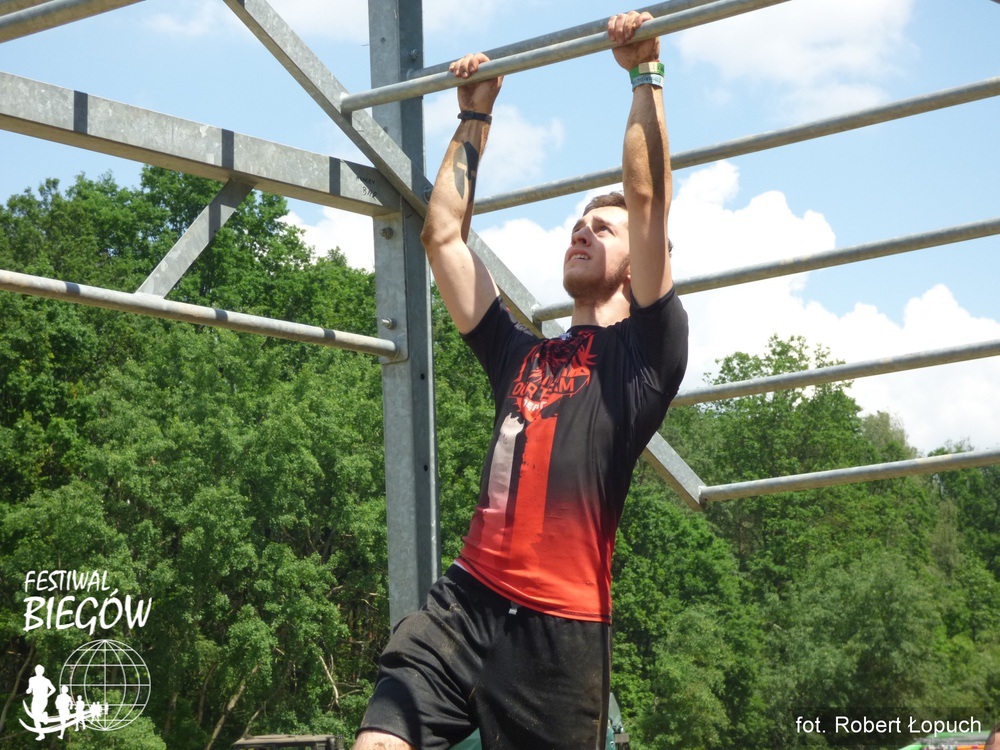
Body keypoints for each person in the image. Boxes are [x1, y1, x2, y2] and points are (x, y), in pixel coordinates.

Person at [355, 10, 687, 750]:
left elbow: (647, 201)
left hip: (559, 637)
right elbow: (442, 235)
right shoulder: (521, 356)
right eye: (577, 226)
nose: (582, 231)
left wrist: (645, 73)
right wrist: (475, 115)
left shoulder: (645, 359)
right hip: (464, 604)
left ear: (645, 261)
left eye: (602, 229)